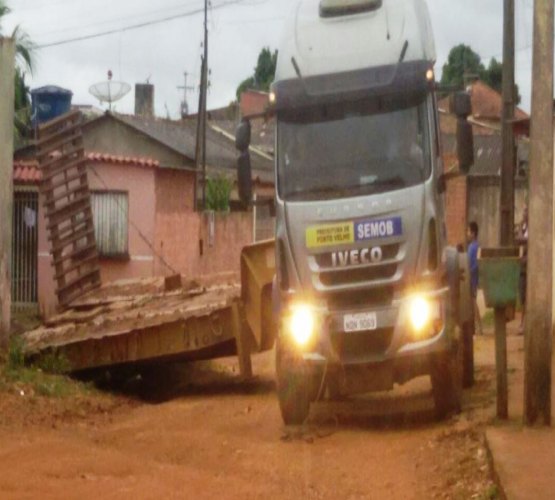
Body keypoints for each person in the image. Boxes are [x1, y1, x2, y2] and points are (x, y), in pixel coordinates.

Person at [467, 221, 483, 335]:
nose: (467, 233)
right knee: (471, 303)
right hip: (472, 278)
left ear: (473, 233)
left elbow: (474, 264)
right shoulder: (473, 246)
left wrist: (469, 273)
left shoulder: (474, 247)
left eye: (468, 231)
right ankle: (475, 327)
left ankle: (479, 327)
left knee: (473, 303)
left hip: (472, 279)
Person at [517, 207, 528, 335]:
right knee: (522, 297)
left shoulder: (529, 230)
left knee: (525, 298)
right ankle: (522, 323)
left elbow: (523, 241)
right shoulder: (523, 228)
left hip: (526, 267)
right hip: (522, 266)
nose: (524, 214)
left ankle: (523, 324)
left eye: (525, 212)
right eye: (523, 212)